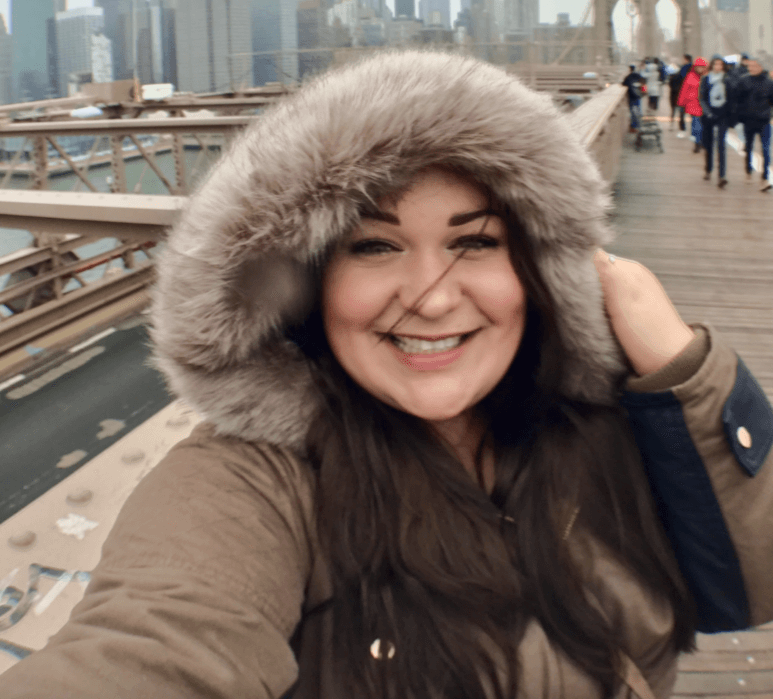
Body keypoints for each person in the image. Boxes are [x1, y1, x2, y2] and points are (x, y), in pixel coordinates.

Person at [4, 51, 773, 699]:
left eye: (474, 243)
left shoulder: (602, 425)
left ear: (537, 268)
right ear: (307, 286)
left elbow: (750, 584)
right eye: (373, 248)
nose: (434, 297)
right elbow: (161, 642)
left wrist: (684, 369)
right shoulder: (253, 488)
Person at [734, 56, 773, 191]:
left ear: (761, 67)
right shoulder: (744, 81)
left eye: (754, 66)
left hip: (764, 121)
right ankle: (748, 171)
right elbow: (738, 100)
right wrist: (739, 116)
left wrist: (768, 112)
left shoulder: (769, 82)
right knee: (749, 147)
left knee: (766, 150)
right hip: (748, 120)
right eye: (750, 66)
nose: (751, 68)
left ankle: (764, 177)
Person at [699, 55, 732, 188]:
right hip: (708, 115)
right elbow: (702, 98)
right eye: (715, 64)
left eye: (720, 65)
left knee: (721, 145)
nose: (718, 67)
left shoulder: (727, 79)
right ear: (712, 66)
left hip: (722, 114)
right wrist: (708, 112)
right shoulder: (706, 79)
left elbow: (732, 97)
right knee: (708, 144)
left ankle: (722, 176)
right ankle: (708, 169)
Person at [676, 56, 708, 153]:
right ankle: (697, 142)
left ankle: (700, 142)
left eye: (702, 67)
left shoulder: (707, 77)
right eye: (698, 67)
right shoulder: (690, 76)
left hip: (704, 105)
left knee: (702, 126)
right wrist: (681, 102)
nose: (700, 69)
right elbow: (684, 90)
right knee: (696, 125)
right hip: (693, 104)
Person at [622, 62, 645, 130]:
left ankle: (634, 126)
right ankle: (638, 125)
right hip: (638, 97)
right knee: (638, 110)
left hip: (631, 97)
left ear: (629, 69)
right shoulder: (639, 76)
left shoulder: (628, 77)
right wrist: (643, 93)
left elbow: (623, 84)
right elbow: (643, 83)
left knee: (633, 112)